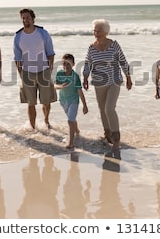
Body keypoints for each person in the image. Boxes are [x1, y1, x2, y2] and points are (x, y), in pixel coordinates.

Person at [83, 19, 133, 152]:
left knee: (109, 109)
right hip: (99, 83)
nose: (96, 33)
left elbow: (123, 61)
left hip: (114, 81)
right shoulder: (91, 47)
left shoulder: (114, 45)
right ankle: (108, 136)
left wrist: (128, 77)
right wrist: (85, 77)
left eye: (98, 30)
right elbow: (88, 63)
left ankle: (116, 139)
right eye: (94, 30)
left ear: (106, 32)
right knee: (102, 110)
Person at [13, 8, 57, 130]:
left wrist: (49, 69)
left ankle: (46, 121)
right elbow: (17, 57)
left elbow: (50, 53)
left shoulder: (42, 33)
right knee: (30, 103)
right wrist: (21, 73)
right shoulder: (18, 36)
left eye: (27, 17)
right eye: (23, 18)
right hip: (27, 73)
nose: (25, 20)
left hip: (43, 71)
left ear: (33, 19)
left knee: (46, 101)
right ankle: (33, 128)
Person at [55, 53, 88, 149]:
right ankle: (77, 130)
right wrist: (61, 86)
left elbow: (80, 91)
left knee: (70, 120)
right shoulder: (59, 74)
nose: (66, 66)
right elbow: (55, 85)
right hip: (63, 101)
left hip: (74, 101)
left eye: (68, 64)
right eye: (64, 63)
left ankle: (71, 142)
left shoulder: (75, 76)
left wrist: (85, 105)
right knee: (72, 119)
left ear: (73, 64)